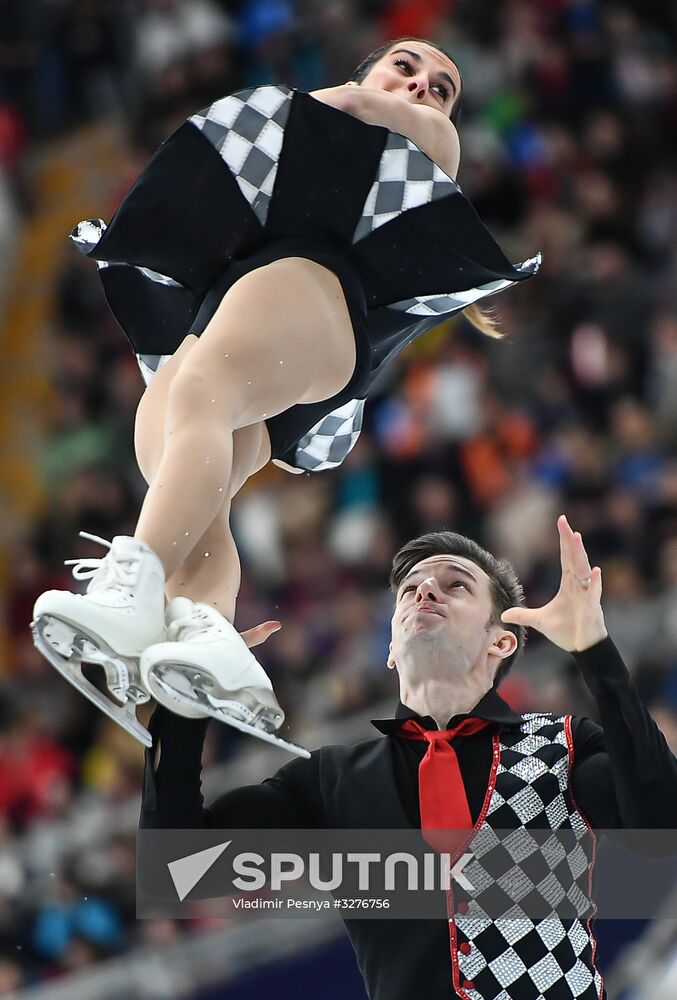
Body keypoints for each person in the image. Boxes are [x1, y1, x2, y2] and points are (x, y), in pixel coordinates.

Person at [31, 37, 540, 751]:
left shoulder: (426, 140)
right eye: (406, 66)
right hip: (239, 316)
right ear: (363, 69)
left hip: (318, 296)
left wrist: (320, 107)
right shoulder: (319, 126)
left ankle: (130, 580)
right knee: (180, 456)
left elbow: (357, 115)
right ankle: (208, 628)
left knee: (201, 396)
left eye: (444, 85)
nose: (425, 86)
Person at [140, 515, 677, 1000]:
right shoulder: (333, 781)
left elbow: (659, 823)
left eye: (455, 586)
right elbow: (178, 871)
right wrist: (188, 696)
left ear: (502, 642)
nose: (425, 592)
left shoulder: (562, 744)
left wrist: (595, 650)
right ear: (391, 648)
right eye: (409, 590)